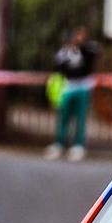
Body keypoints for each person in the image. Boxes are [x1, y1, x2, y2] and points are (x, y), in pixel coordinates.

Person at [45, 27, 100, 161]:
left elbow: (93, 56)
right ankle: (59, 143)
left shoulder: (89, 49)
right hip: (67, 87)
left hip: (83, 86)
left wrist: (81, 46)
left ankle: (78, 146)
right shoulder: (64, 52)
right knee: (64, 116)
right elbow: (57, 69)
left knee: (80, 118)